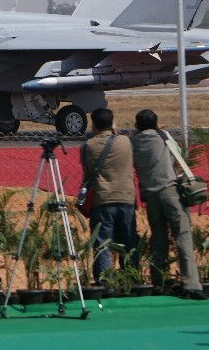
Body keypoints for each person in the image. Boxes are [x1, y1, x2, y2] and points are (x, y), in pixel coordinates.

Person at [129, 109, 206, 300]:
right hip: (170, 191)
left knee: (158, 239)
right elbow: (176, 154)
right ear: (156, 123)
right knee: (183, 236)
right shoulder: (162, 136)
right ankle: (191, 284)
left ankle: (159, 281)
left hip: (151, 195)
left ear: (137, 125)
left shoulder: (132, 143)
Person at [81, 107, 138, 286]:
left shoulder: (89, 146)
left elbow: (88, 173)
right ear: (113, 123)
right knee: (129, 241)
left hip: (103, 198)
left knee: (103, 243)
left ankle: (105, 281)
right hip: (126, 198)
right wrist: (115, 131)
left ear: (93, 125)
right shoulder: (126, 142)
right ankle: (131, 278)